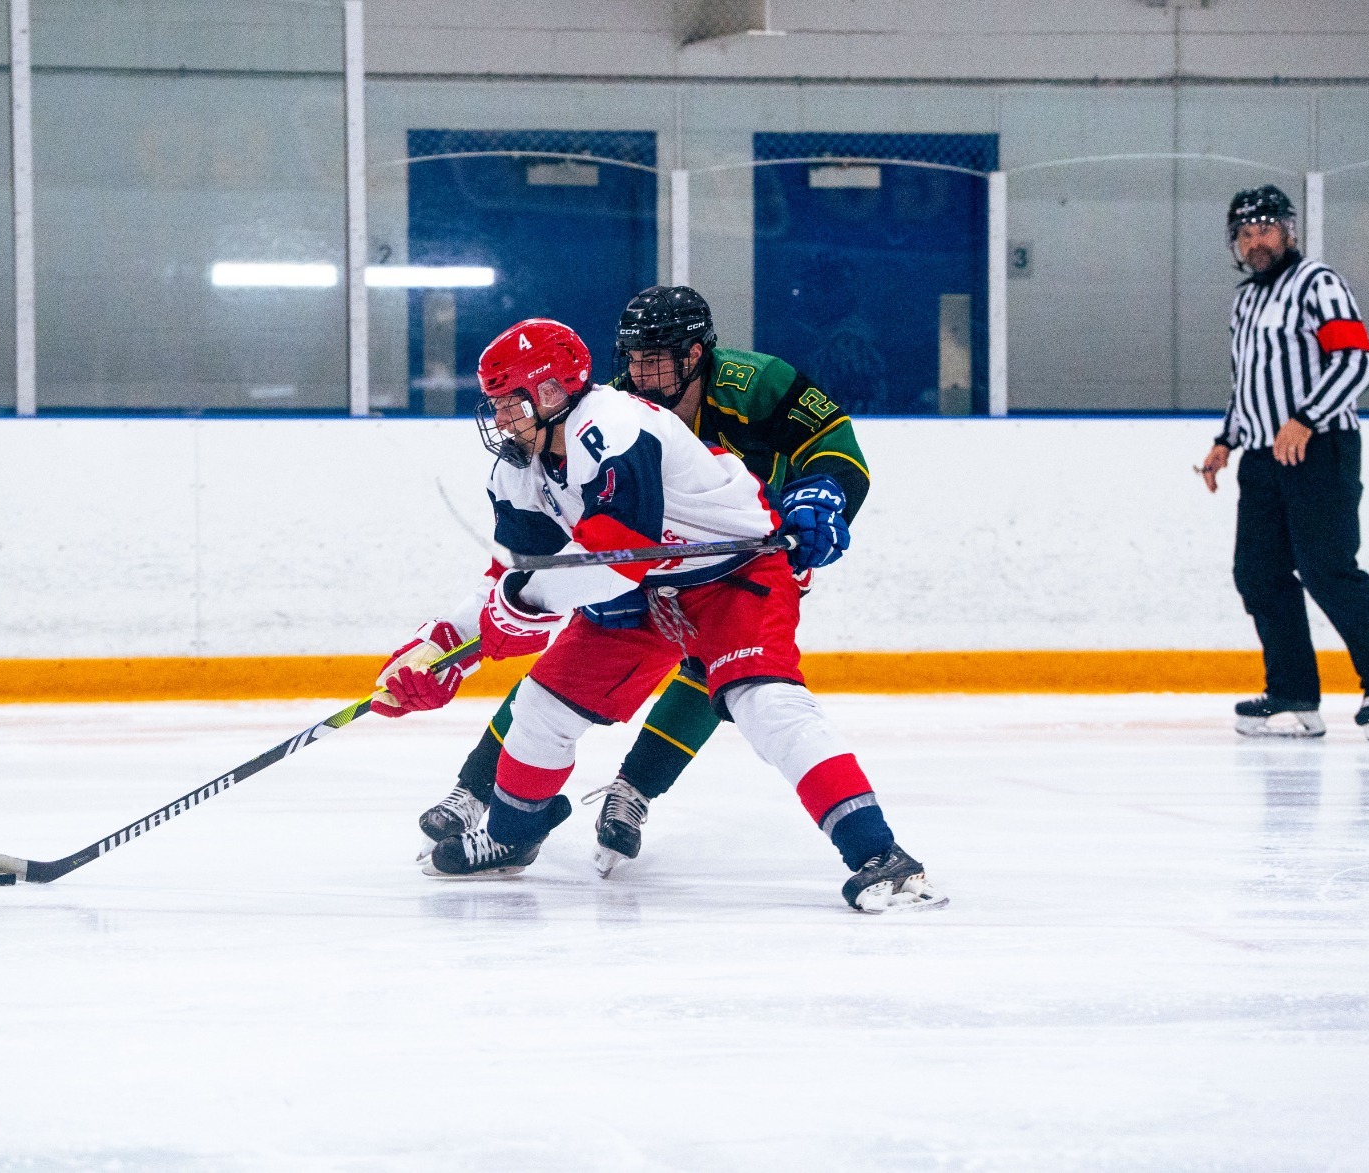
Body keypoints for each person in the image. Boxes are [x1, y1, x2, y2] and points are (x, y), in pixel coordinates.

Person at [369, 316, 944, 913]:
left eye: (510, 402)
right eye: (495, 405)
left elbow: (612, 556)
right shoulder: (518, 469)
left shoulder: (614, 425)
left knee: (766, 704)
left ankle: (882, 857)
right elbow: (515, 580)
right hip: (644, 591)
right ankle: (513, 838)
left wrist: (514, 612)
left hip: (731, 575)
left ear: (548, 392)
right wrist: (441, 646)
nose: (501, 419)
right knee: (541, 707)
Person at [1198, 185, 1369, 742]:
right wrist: (1226, 440)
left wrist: (1306, 418)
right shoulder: (1245, 301)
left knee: (1327, 569)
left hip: (1320, 449)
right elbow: (1245, 381)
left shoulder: (1318, 284)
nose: (1256, 241)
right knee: (1258, 572)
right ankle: (1294, 698)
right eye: (1245, 234)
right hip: (1263, 458)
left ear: (1289, 231)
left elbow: (1356, 360)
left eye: (1266, 229)